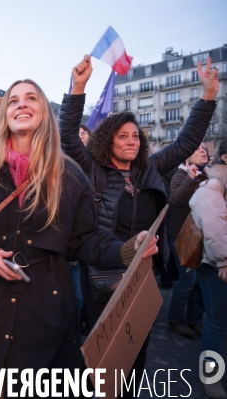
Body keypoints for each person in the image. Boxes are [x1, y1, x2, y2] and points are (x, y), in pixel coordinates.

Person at [0, 76, 158, 398]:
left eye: (32, 98)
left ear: (45, 112)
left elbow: (86, 238)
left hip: (47, 308)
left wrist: (130, 248)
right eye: (15, 99)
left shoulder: (71, 175)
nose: (22, 103)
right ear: (5, 113)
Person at [60, 55, 218, 396]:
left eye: (135, 136)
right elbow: (68, 137)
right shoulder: (93, 169)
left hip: (142, 270)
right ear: (108, 141)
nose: (132, 141)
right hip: (102, 271)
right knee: (105, 349)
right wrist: (77, 88)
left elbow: (185, 143)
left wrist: (207, 97)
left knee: (136, 344)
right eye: (122, 136)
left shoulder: (150, 168)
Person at [189, 140, 227, 399]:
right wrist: (223, 260)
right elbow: (214, 227)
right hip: (214, 266)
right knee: (217, 323)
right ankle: (211, 378)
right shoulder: (212, 187)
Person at [167, 144, 208, 338]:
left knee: (199, 281)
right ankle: (176, 319)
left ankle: (195, 319)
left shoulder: (208, 176)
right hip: (181, 236)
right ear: (186, 158)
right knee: (188, 279)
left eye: (205, 148)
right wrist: (191, 178)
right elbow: (176, 200)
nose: (204, 151)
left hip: (200, 237)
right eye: (198, 149)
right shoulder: (180, 176)